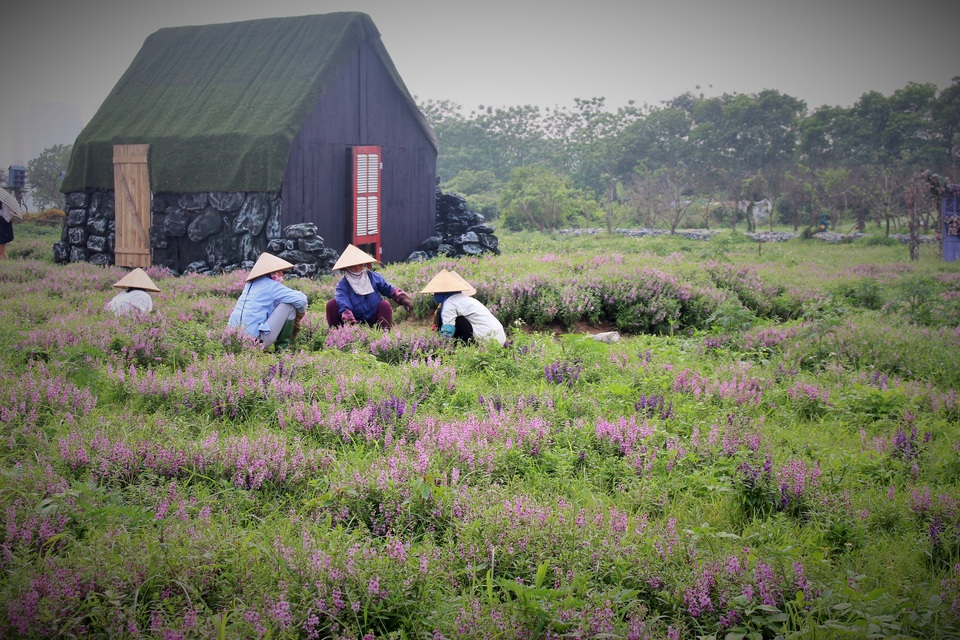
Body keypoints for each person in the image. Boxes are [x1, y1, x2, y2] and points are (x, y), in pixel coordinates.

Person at [228, 252, 308, 349]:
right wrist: (300, 315)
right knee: (289, 306)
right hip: (255, 342)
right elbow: (301, 299)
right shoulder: (271, 286)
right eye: (280, 272)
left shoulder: (249, 285)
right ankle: (282, 349)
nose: (282, 275)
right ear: (273, 273)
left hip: (232, 340)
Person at [326, 244, 413, 329]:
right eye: (353, 267)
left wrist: (402, 298)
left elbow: (388, 289)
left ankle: (384, 336)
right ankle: (338, 335)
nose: (358, 269)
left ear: (365, 264)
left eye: (360, 265)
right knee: (331, 304)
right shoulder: (342, 285)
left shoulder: (373, 277)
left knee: (385, 305)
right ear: (346, 268)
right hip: (354, 320)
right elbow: (343, 303)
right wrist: (351, 322)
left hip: (374, 317)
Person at [421, 269, 506, 346]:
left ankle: (466, 346)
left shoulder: (449, 303)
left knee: (458, 321)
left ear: (442, 293)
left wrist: (441, 345)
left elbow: (447, 330)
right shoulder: (464, 299)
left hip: (486, 339)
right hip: (499, 336)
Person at [0, 188, 22, 260]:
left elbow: (7, 217)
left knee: (1, 252)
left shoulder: (4, 203)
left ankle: (7, 268)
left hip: (3, 229)